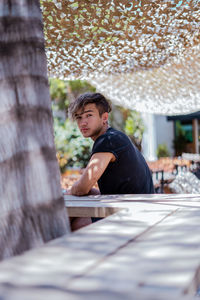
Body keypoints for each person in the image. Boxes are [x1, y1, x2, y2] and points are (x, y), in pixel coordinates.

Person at [67, 92, 154, 230]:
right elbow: (92, 190)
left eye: (89, 115)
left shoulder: (108, 140)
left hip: (135, 215)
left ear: (104, 117)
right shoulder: (115, 136)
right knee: (73, 209)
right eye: (79, 117)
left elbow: (83, 186)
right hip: (136, 206)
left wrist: (70, 191)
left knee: (73, 223)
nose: (83, 122)